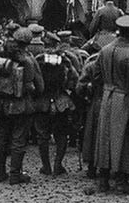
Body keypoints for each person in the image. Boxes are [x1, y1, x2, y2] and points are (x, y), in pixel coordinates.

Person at [93, 15, 129, 194]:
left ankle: (103, 180)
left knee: (104, 138)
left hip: (106, 97)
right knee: (125, 139)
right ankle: (121, 181)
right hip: (125, 99)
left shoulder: (105, 50)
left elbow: (95, 76)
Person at [0, 27, 44, 185]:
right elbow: (39, 85)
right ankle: (15, 174)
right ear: (28, 42)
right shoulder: (28, 59)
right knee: (18, 139)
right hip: (21, 104)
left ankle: (0, 173)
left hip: (1, 103)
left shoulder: (0, 56)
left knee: (1, 139)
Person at [33, 32, 79, 176]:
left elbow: (32, 78)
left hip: (42, 101)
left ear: (44, 44)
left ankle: (46, 166)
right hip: (61, 102)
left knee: (42, 136)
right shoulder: (66, 59)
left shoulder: (38, 60)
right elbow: (74, 79)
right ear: (57, 44)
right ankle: (58, 165)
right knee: (61, 135)